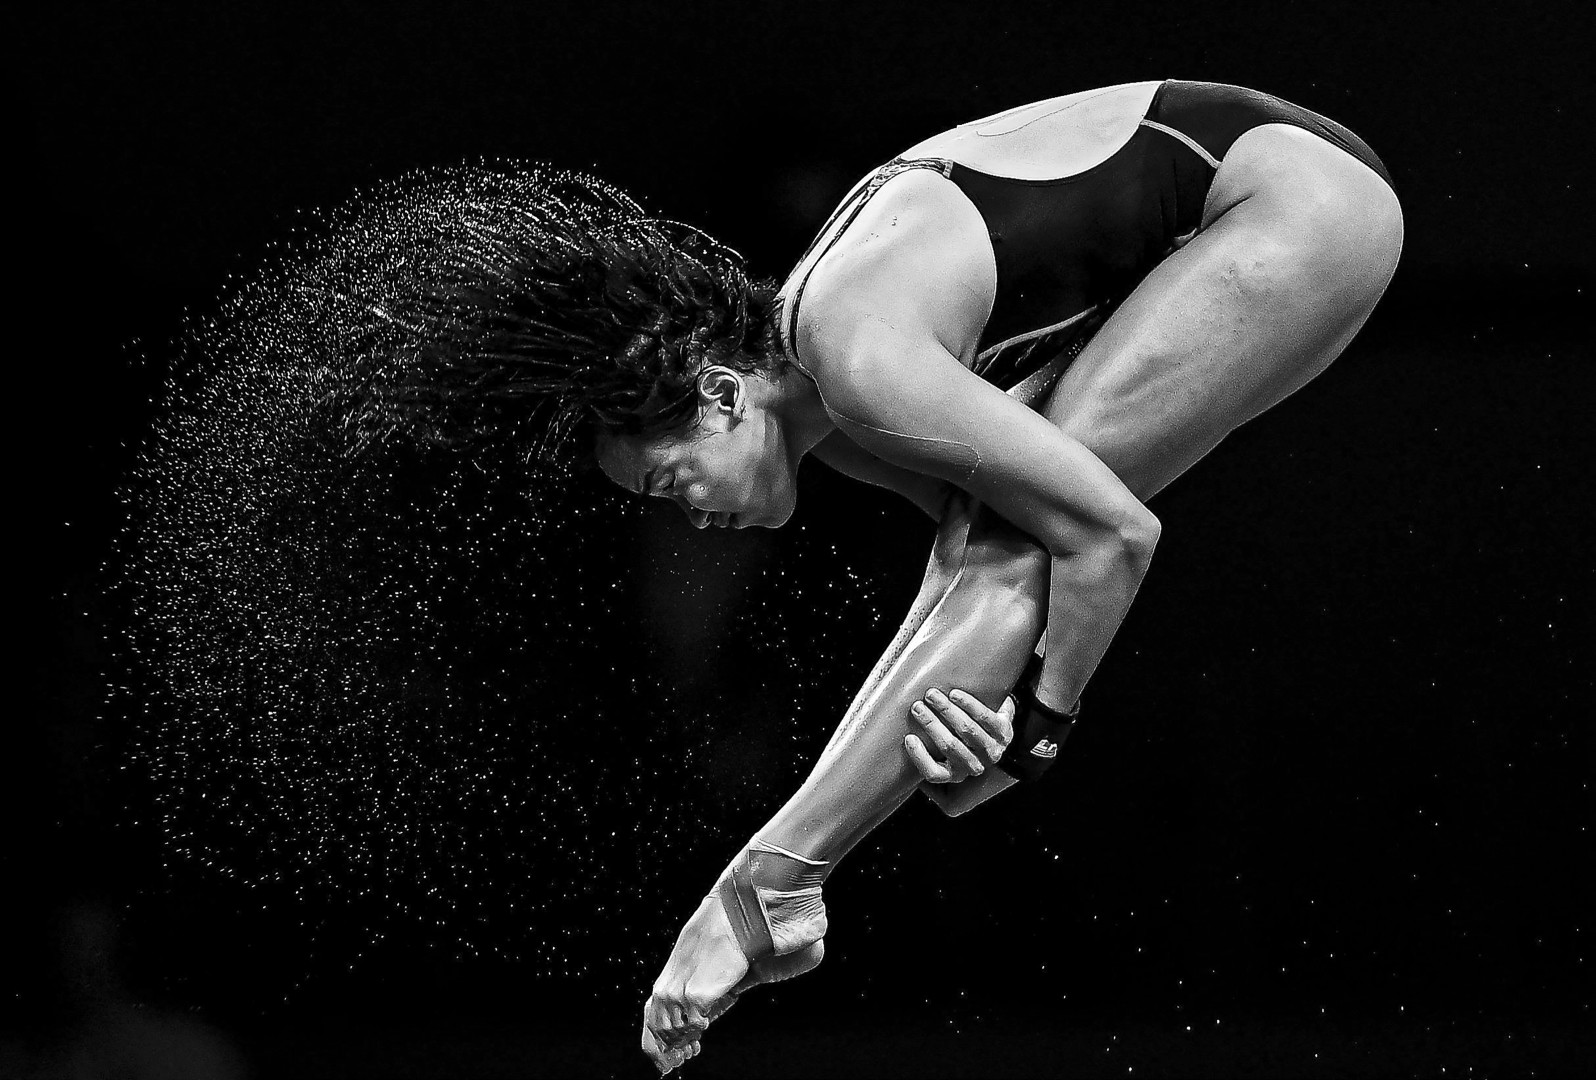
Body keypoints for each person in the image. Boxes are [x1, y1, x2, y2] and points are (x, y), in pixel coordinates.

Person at [374, 78, 1402, 1074]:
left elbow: (1108, 539)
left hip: (1294, 200)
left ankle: (769, 881)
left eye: (667, 479)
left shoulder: (853, 361)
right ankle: (778, 878)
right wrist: (980, 716)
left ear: (724, 397)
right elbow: (959, 580)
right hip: (1271, 183)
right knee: (990, 542)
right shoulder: (826, 384)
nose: (688, 512)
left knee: (1019, 536)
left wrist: (1036, 732)